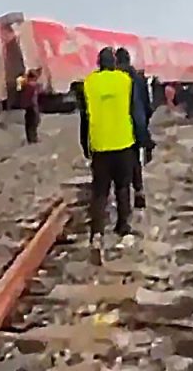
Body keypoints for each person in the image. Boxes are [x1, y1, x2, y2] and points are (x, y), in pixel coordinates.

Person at [78, 47, 146, 265]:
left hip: (100, 145)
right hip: (124, 143)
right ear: (114, 63)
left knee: (99, 192)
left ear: (98, 63)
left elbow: (85, 117)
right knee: (122, 187)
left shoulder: (89, 83)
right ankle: (123, 228)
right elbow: (135, 113)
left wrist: (85, 144)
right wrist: (143, 139)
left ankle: (97, 234)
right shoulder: (125, 81)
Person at [114, 47, 155, 209]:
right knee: (135, 161)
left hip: (121, 125)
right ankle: (139, 192)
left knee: (121, 164)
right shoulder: (138, 78)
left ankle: (123, 203)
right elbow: (145, 105)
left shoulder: (117, 79)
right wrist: (144, 128)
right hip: (137, 124)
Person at [18, 69, 40, 143]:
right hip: (32, 107)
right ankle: (33, 139)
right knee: (33, 123)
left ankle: (30, 139)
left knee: (29, 125)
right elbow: (34, 98)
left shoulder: (25, 85)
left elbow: (19, 87)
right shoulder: (33, 86)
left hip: (27, 107)